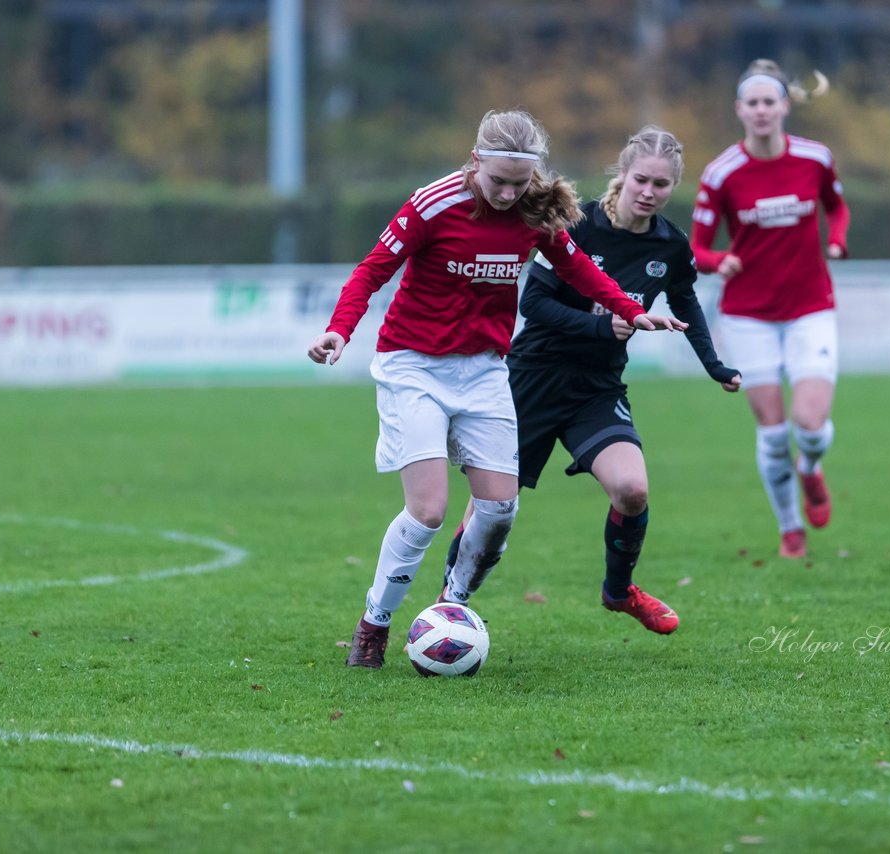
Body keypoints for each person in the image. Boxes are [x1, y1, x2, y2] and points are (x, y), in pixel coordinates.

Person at [307, 109, 686, 669]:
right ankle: (374, 624)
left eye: (519, 182)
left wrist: (630, 309)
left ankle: (451, 608)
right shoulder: (431, 204)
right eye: (498, 181)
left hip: (484, 370)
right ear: (476, 160)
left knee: (499, 507)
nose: (508, 194)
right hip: (414, 365)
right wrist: (339, 329)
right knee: (430, 510)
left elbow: (578, 269)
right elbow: (372, 270)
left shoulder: (535, 211)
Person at [440, 126, 742, 635]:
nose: (649, 191)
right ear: (621, 176)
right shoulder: (574, 226)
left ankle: (619, 592)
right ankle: (448, 605)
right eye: (641, 179)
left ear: (673, 188)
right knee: (492, 510)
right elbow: (532, 303)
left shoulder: (670, 246)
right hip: (531, 381)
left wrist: (715, 365)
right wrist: (603, 324)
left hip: (596, 388)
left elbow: (686, 303)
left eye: (661, 185)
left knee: (632, 490)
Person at [689, 59, 849, 559]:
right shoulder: (721, 173)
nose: (761, 110)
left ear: (784, 106)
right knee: (775, 433)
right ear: (740, 110)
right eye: (751, 103)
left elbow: (836, 207)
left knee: (810, 422)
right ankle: (789, 529)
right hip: (748, 314)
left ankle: (811, 468)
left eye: (769, 101)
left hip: (809, 306)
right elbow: (696, 248)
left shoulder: (815, 158)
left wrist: (838, 240)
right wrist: (720, 261)